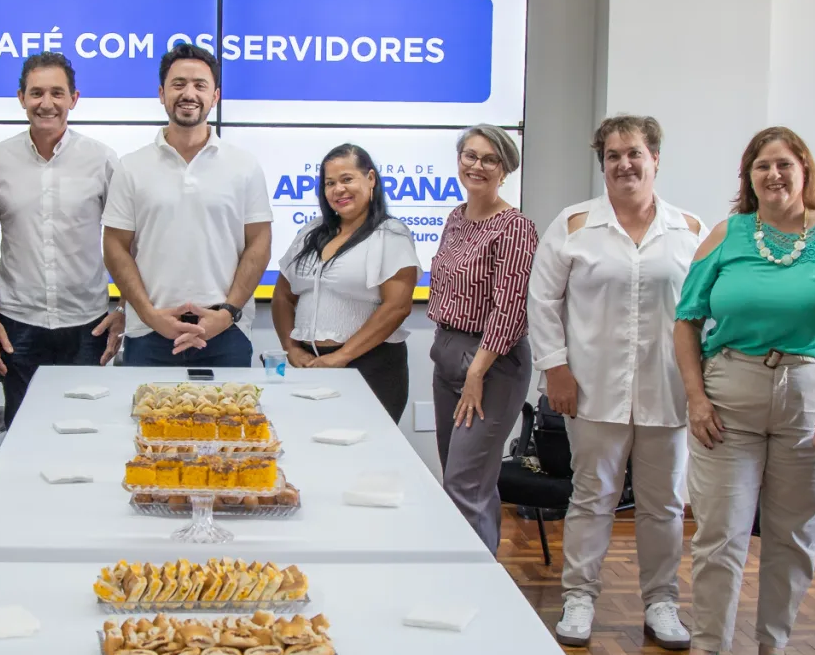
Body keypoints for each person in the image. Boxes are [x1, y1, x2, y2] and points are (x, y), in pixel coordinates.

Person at [671, 128, 815, 655]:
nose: (774, 175)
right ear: (748, 177)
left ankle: (775, 645)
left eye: (784, 164)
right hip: (730, 394)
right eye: (762, 166)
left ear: (805, 170)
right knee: (720, 532)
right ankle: (706, 646)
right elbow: (686, 320)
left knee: (794, 535)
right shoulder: (729, 233)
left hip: (811, 398)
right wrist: (696, 398)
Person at [531, 115, 704, 652]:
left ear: (655, 159)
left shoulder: (690, 230)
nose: (624, 164)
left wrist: (702, 386)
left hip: (667, 389)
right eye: (613, 155)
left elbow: (707, 311)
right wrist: (555, 368)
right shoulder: (574, 225)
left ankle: (662, 602)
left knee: (664, 504)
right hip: (591, 390)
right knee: (591, 498)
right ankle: (579, 597)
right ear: (602, 163)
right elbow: (542, 300)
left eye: (634, 154)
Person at [103, 43, 271, 368]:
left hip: (226, 332)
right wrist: (150, 315)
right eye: (178, 84)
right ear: (161, 93)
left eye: (199, 85)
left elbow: (259, 243)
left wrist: (227, 314)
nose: (188, 94)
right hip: (149, 333)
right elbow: (114, 247)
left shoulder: (244, 166)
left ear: (215, 96)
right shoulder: (131, 167)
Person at [0, 50, 120, 420]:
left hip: (87, 324)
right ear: (21, 97)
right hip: (17, 324)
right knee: (22, 431)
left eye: (57, 93)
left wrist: (126, 311)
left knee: (86, 429)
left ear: (74, 98)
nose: (47, 103)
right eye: (36, 93)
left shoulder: (102, 159)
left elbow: (128, 243)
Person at [428, 124, 538, 553]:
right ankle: (474, 569)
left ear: (505, 170)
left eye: (490, 159)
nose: (477, 165)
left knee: (464, 484)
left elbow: (509, 308)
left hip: (492, 363)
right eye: (470, 156)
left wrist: (475, 373)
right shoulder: (456, 217)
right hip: (448, 353)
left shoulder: (515, 227)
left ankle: (474, 583)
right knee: (465, 479)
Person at [272, 144, 420, 420]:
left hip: (371, 367)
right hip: (312, 366)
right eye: (330, 183)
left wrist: (342, 356)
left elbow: (397, 307)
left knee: (365, 444)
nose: (338, 189)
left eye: (347, 179)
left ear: (371, 179)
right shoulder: (311, 231)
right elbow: (282, 295)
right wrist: (290, 347)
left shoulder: (391, 234)